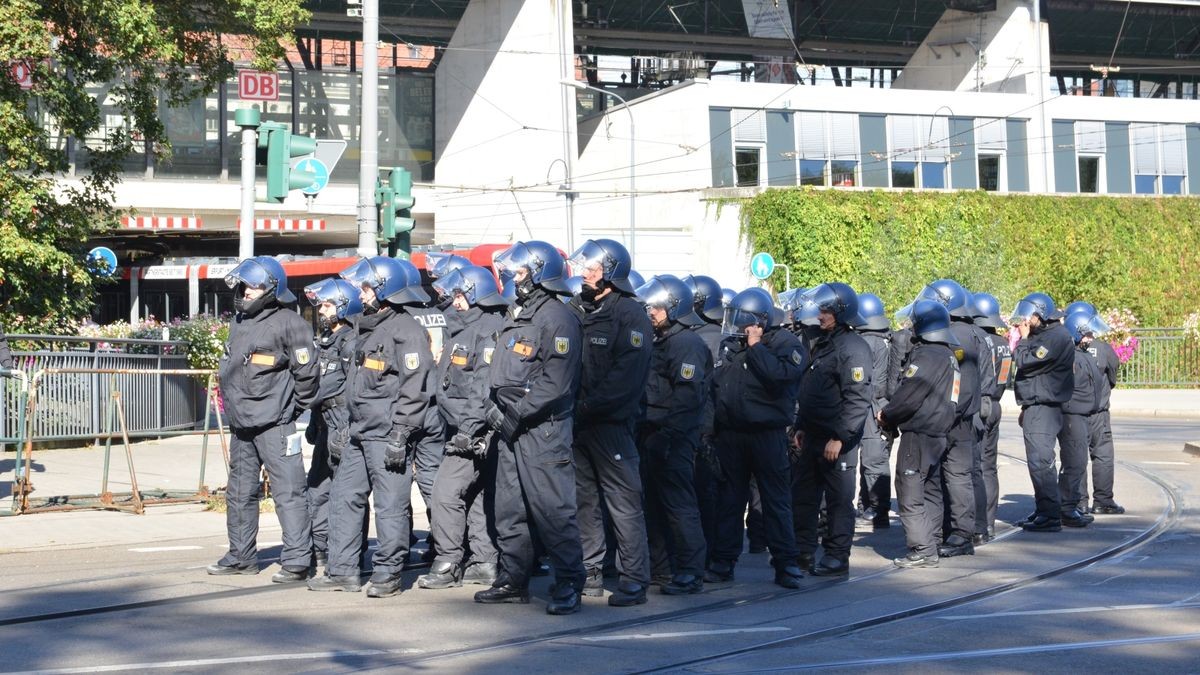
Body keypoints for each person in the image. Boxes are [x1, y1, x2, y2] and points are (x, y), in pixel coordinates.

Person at [308, 256, 432, 597]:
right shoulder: (369, 327)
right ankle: (343, 571)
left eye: (366, 288)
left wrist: (401, 433)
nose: (361, 295)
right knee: (345, 497)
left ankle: (388, 573)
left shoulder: (406, 330)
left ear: (385, 288)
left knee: (389, 505)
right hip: (359, 431)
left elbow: (415, 385)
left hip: (387, 433)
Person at [475, 240, 586, 615]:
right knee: (510, 509)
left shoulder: (559, 317)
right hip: (511, 427)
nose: (513, 278)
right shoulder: (518, 314)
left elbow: (556, 383)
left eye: (520, 272)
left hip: (543, 429)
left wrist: (517, 412)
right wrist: (494, 410)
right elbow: (502, 372)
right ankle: (513, 580)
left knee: (552, 509)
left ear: (539, 273)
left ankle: (570, 581)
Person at [208, 256, 318, 583]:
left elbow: (307, 375)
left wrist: (290, 411)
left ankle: (298, 559)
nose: (245, 291)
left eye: (253, 286)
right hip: (242, 425)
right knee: (239, 493)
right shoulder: (240, 321)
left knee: (289, 492)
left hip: (276, 425)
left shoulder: (290, 323)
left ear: (271, 288)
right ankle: (241, 556)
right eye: (244, 285)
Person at [567, 239, 653, 607]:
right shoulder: (577, 308)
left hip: (611, 425)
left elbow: (625, 379)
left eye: (592, 268)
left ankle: (634, 579)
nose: (584, 273)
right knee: (582, 500)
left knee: (623, 503)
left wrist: (587, 406)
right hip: (578, 423)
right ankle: (590, 571)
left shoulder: (630, 315)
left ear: (611, 273)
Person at [705, 287, 807, 589]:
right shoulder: (731, 344)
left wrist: (756, 347)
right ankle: (723, 561)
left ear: (758, 322)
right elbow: (716, 388)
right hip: (732, 435)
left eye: (742, 320)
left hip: (767, 435)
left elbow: (781, 376)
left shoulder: (785, 343)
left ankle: (786, 564)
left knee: (775, 501)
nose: (736, 326)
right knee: (730, 501)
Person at [418, 265, 509, 590]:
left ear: (477, 294)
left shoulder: (487, 329)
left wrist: (468, 432)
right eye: (454, 295)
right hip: (460, 428)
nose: (455, 302)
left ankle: (447, 563)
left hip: (471, 433)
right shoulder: (464, 328)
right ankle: (483, 560)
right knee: (474, 496)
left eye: (460, 295)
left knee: (445, 493)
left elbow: (482, 388)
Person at [636, 275, 712, 595]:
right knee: (652, 503)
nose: (650, 312)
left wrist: (670, 436)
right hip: (652, 432)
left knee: (679, 506)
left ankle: (691, 571)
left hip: (673, 436)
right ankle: (662, 568)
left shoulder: (686, 344)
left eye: (655, 307)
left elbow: (687, 397)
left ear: (672, 307)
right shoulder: (660, 340)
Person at [792, 282, 872, 577]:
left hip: (837, 441)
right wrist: (801, 427)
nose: (820, 315)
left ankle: (837, 555)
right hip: (813, 435)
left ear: (840, 311)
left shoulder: (853, 348)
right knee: (803, 496)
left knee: (838, 501)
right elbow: (811, 388)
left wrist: (839, 437)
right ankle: (802, 552)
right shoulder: (824, 343)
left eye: (825, 310)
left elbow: (857, 397)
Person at [877, 300, 959, 568]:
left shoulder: (927, 355)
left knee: (910, 490)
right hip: (939, 433)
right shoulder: (948, 355)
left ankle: (922, 549)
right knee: (931, 491)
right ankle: (931, 541)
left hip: (920, 433)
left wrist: (887, 415)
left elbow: (909, 394)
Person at [914, 279, 983, 559]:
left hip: (954, 419)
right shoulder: (963, 331)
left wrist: (945, 415)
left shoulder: (959, 335)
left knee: (956, 476)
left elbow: (961, 384)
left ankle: (961, 534)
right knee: (946, 476)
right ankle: (945, 530)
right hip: (953, 417)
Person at [301, 277, 363, 570]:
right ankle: (321, 547)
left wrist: (348, 429)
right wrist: (314, 421)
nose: (321, 311)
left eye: (326, 305)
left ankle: (351, 553)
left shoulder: (351, 342)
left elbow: (352, 389)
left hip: (342, 422)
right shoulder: (325, 340)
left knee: (344, 492)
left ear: (342, 305)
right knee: (317, 489)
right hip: (325, 420)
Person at [1010, 292, 1080, 532]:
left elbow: (1022, 361)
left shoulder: (1055, 337)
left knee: (1040, 462)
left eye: (1029, 318)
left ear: (1040, 315)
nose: (1025, 322)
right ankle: (1043, 509)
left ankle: (1050, 515)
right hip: (1037, 404)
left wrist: (1024, 338)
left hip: (1045, 407)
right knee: (1036, 461)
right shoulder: (1048, 335)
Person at [1065, 302, 1125, 515]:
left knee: (1075, 458)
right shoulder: (1103, 348)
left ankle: (1078, 502)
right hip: (1099, 412)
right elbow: (1113, 376)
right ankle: (1103, 500)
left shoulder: (1064, 350)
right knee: (1103, 455)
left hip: (1073, 414)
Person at [971, 292, 1013, 540]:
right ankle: (988, 523)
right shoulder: (1003, 343)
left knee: (973, 466)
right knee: (989, 466)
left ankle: (976, 524)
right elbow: (1004, 377)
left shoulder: (978, 339)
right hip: (995, 404)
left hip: (978, 404)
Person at [1057, 311, 1104, 529]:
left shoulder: (1081, 354)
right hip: (1072, 415)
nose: (1090, 338)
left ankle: (1069, 504)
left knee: (1076, 462)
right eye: (1086, 334)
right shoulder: (1071, 356)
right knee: (1074, 463)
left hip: (1083, 415)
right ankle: (1066, 508)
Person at [852, 292, 893, 529]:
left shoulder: (868, 341)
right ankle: (867, 503)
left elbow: (866, 380)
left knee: (872, 458)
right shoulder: (885, 338)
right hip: (882, 403)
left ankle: (878, 509)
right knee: (874, 456)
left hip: (872, 404)